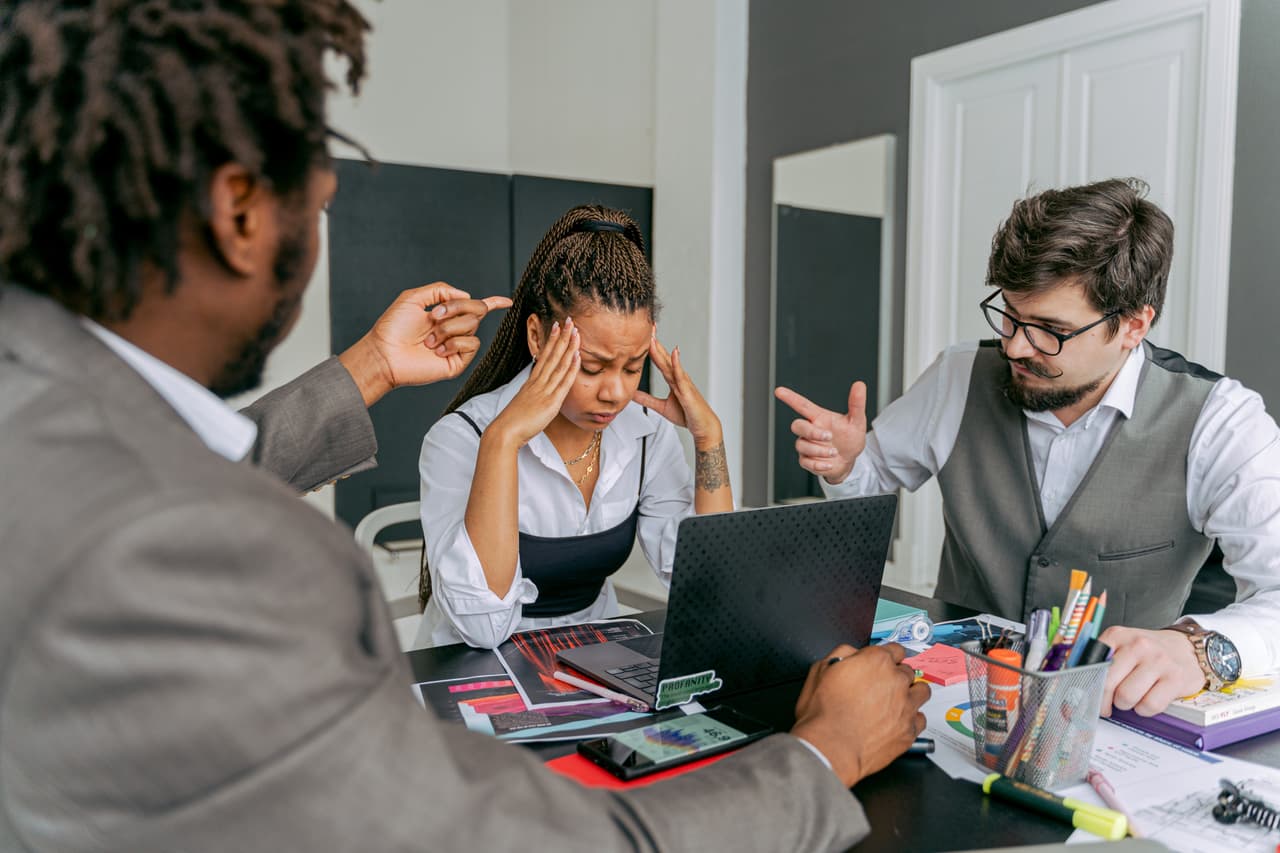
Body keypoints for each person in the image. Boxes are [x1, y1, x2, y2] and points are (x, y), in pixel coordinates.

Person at [0, 3, 929, 850]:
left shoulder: (42, 422)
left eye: (628, 365)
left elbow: (183, 460)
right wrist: (824, 754)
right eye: (321, 204)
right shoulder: (192, 557)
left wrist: (369, 362)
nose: (612, 389)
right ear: (242, 210)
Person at [778, 177, 1280, 720]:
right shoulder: (957, 377)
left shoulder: (1221, 421)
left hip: (1116, 717)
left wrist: (1196, 649)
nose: (1016, 346)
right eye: (1011, 315)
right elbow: (872, 476)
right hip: (950, 700)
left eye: (1049, 330)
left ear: (1133, 325)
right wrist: (851, 462)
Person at [414, 205, 731, 649]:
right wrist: (503, 441)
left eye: (633, 367)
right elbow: (482, 629)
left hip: (592, 658)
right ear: (538, 338)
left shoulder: (645, 436)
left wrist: (708, 439)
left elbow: (709, 584)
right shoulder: (460, 438)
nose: (614, 393)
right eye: (592, 367)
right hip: (477, 666)